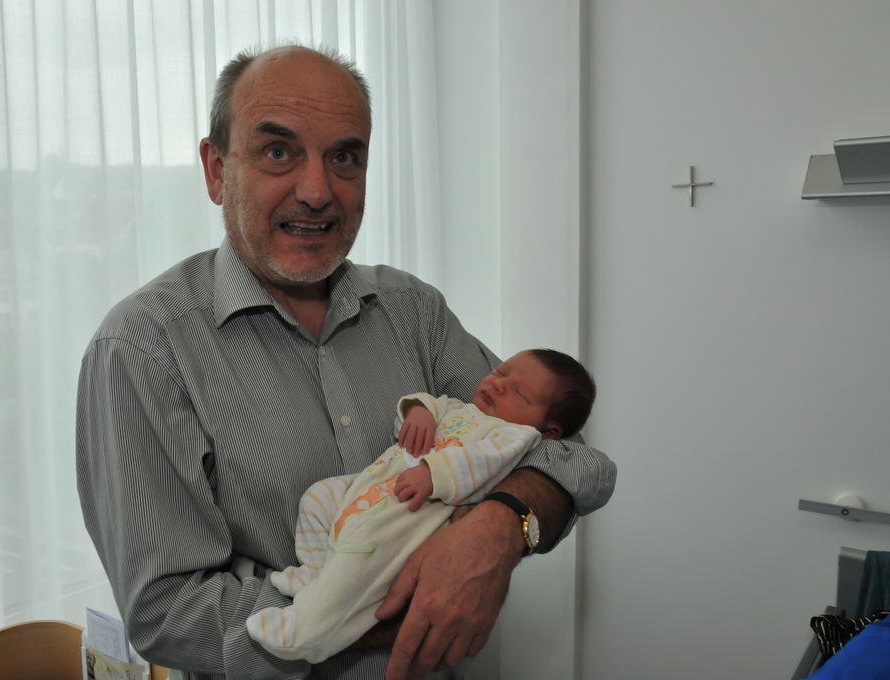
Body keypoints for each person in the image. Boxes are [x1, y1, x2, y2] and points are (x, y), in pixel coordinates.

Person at [76, 43, 616, 680]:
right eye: (278, 152)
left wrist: (502, 527)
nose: (316, 192)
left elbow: (570, 454)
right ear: (217, 171)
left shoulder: (413, 310)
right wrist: (383, 596)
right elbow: (168, 613)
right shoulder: (143, 347)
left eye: (344, 157)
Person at [246, 349, 595, 665]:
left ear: (548, 432)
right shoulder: (458, 407)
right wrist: (418, 413)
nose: (499, 384)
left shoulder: (516, 436)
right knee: (318, 497)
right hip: (374, 486)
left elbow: (483, 461)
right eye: (500, 372)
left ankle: (308, 631)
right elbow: (425, 403)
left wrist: (434, 473)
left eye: (519, 392)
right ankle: (315, 572)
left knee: (361, 558)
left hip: (414, 512)